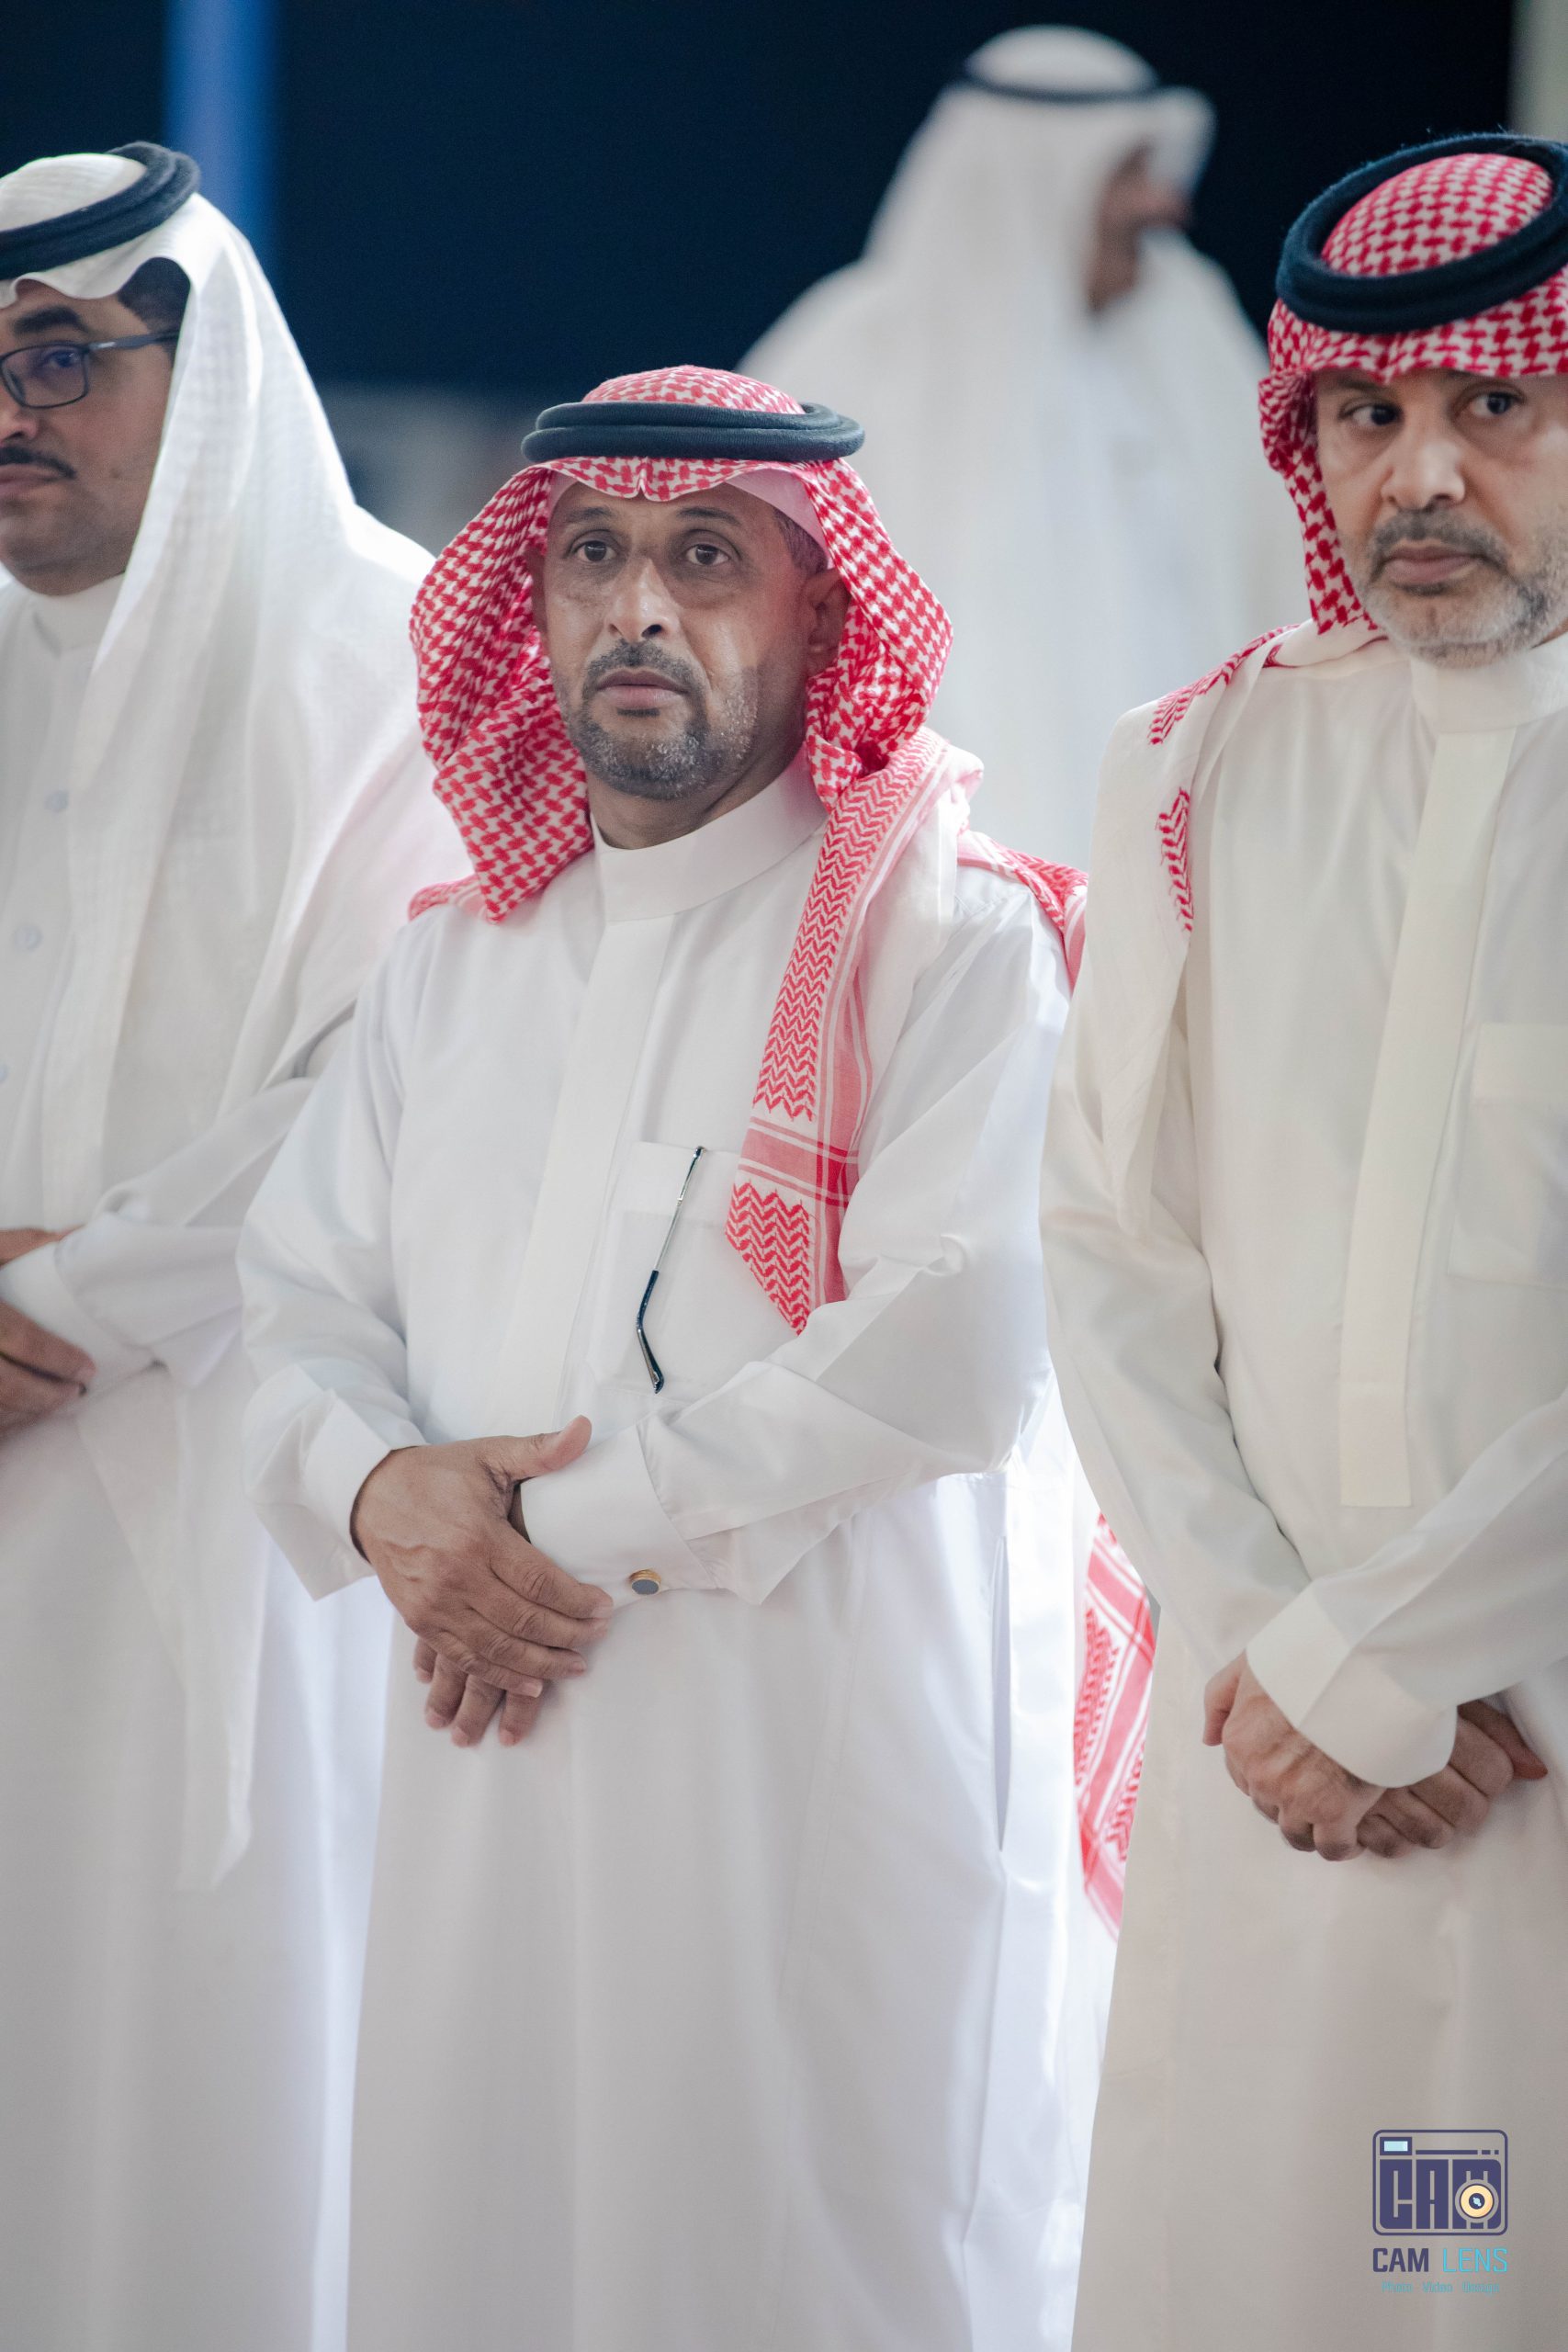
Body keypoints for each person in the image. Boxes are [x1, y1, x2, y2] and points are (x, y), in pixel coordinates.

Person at [240, 364, 1103, 2352]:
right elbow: (293, 1307)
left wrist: (519, 1537)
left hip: (802, 1766)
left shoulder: (948, 937)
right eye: (591, 557)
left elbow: (950, 1349)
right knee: (484, 2236)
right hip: (484, 1774)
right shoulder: (450, 965)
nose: (637, 606)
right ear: (528, 608)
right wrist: (381, 1498)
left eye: (706, 557)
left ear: (821, 608)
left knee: (793, 2252)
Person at [1041, 134, 1568, 2348]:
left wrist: (1385, 1657)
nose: (1415, 473)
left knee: (1496, 2267)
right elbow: (1109, 1254)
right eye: (1364, 412)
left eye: (1490, 403)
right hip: (1272, 1757)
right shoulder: (1192, 766)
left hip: (1518, 1729)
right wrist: (1284, 1656)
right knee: (1293, 2266)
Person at [0, 145, 453, 2351]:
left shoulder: (385, 648)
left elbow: (396, 1067)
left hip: (250, 1481)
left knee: (220, 2053)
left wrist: (63, 1299)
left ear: (206, 367)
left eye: (60, 356)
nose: (12, 411)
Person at [744, 26, 1303, 866]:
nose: (1162, 204)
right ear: (1035, 177)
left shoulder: (1195, 334)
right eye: (1126, 171)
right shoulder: (852, 352)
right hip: (943, 862)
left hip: (1195, 849)